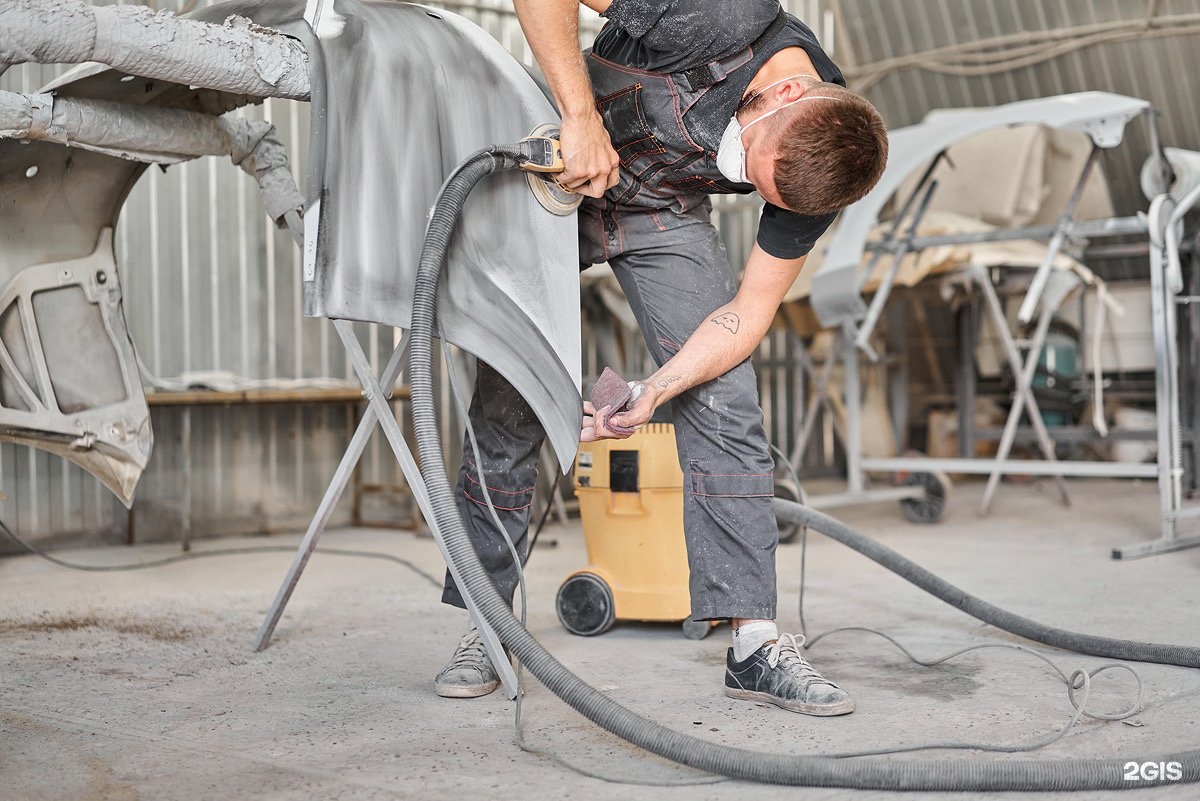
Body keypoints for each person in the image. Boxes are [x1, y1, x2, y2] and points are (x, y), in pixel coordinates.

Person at [434, 0, 888, 717]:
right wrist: (581, 119)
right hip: (559, 172)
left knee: (725, 397)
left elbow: (742, 318)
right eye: (757, 168)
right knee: (510, 388)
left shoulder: (823, 163)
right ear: (790, 94)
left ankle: (754, 644)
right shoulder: (717, 12)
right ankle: (486, 619)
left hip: (660, 213)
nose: (741, 175)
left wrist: (655, 388)